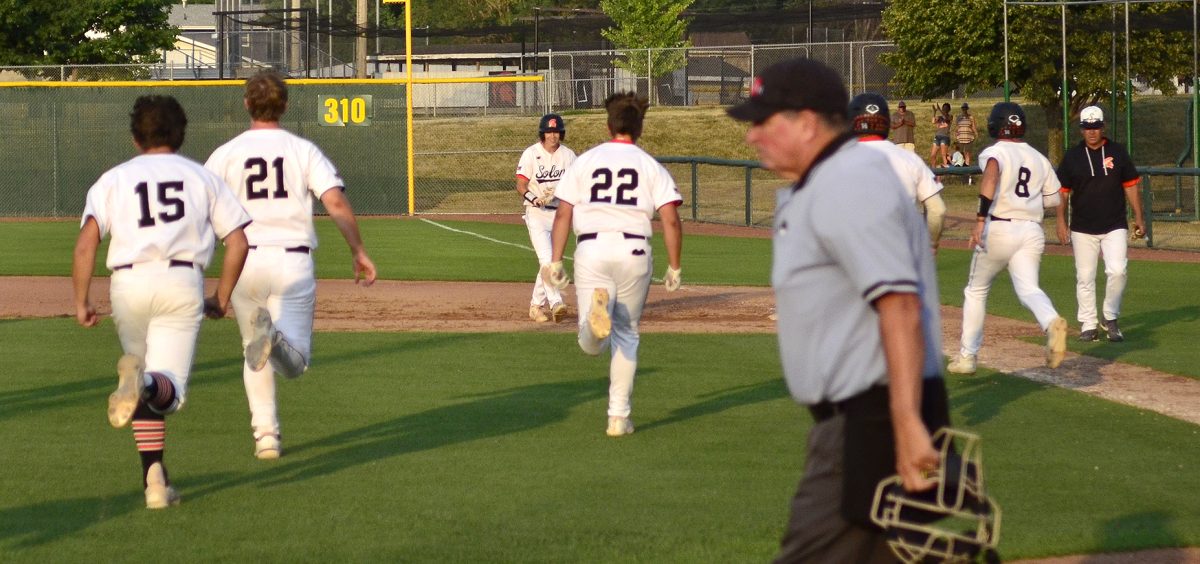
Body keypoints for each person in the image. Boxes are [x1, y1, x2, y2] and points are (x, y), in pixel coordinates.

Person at [728, 58, 949, 562]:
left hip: (871, 420)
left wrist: (906, 423)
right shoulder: (831, 178)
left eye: (764, 121)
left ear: (807, 122)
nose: (752, 136)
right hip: (860, 419)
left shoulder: (849, 179)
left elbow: (898, 304)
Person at [73, 95, 251, 509]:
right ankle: (147, 382)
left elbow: (86, 245)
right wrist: (221, 297)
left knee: (140, 392)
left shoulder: (113, 178)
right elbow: (238, 241)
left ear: (136, 138)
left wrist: (81, 299)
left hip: (128, 284)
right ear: (182, 134)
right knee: (167, 390)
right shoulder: (202, 177)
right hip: (178, 280)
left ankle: (155, 482)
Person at [205, 70, 377, 460]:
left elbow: (201, 209)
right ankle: (277, 342)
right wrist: (358, 249)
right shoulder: (302, 150)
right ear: (285, 105)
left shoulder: (225, 153)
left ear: (247, 104)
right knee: (293, 364)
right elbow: (333, 201)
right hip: (291, 261)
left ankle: (265, 436)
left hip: (244, 262)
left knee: (253, 351)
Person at [544, 92, 683, 438]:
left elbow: (563, 211)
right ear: (640, 128)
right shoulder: (650, 165)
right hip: (635, 251)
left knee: (589, 344)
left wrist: (555, 260)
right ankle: (618, 417)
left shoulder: (586, 160)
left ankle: (595, 325)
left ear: (609, 125)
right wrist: (675, 266)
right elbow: (670, 219)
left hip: (591, 248)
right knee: (627, 334)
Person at [947, 101, 1069, 375]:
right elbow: (1055, 198)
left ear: (995, 125)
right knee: (1028, 289)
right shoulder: (1039, 158)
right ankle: (1051, 322)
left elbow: (990, 176)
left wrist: (979, 220)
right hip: (1031, 230)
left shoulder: (996, 151)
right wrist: (1061, 221)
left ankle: (967, 357)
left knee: (976, 291)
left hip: (1000, 227)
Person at [1054, 105, 1145, 342]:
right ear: (1081, 129)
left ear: (1103, 127)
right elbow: (1062, 192)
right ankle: (1088, 323)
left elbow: (1131, 185)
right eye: (1087, 127)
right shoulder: (1072, 157)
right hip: (1082, 226)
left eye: (1096, 127)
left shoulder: (1118, 151)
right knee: (1085, 276)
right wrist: (1061, 221)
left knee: (1117, 270)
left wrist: (1139, 217)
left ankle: (1110, 317)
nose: (1092, 132)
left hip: (1114, 223)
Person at [849, 92, 947, 254]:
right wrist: (932, 243)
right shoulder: (910, 159)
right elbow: (938, 210)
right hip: (902, 248)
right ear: (886, 121)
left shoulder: (835, 160)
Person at [515, 113, 577, 323]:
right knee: (547, 260)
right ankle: (556, 302)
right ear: (543, 133)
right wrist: (534, 198)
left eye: (557, 131)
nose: (553, 135)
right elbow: (520, 185)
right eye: (549, 131)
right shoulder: (531, 154)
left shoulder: (568, 156)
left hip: (559, 215)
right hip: (537, 214)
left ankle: (535, 306)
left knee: (551, 261)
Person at [954, 102, 978, 168]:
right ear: (962, 109)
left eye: (965, 108)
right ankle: (962, 163)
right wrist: (955, 133)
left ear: (967, 109)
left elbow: (973, 126)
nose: (964, 109)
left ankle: (967, 164)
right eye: (963, 108)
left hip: (968, 136)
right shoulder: (958, 117)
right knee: (961, 152)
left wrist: (976, 133)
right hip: (961, 136)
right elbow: (957, 126)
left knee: (968, 152)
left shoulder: (971, 117)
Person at [929, 102, 952, 168]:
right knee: (933, 155)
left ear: (949, 109)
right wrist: (934, 112)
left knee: (943, 155)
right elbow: (933, 121)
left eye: (946, 108)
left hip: (945, 137)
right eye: (943, 108)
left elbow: (947, 119)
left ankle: (947, 171)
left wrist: (939, 110)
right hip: (937, 136)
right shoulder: (939, 117)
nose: (944, 110)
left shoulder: (950, 116)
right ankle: (934, 171)